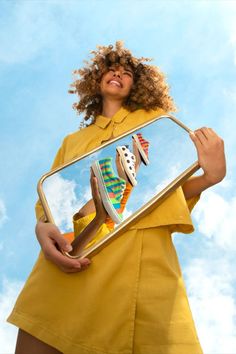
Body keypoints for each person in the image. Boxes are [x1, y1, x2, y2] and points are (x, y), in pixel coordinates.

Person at [7, 41, 226, 354]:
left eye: (127, 73)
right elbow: (51, 200)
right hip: (69, 263)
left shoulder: (154, 121)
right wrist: (42, 228)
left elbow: (166, 189)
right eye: (110, 69)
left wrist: (209, 178)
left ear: (137, 85)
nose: (118, 74)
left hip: (143, 263)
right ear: (96, 80)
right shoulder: (74, 141)